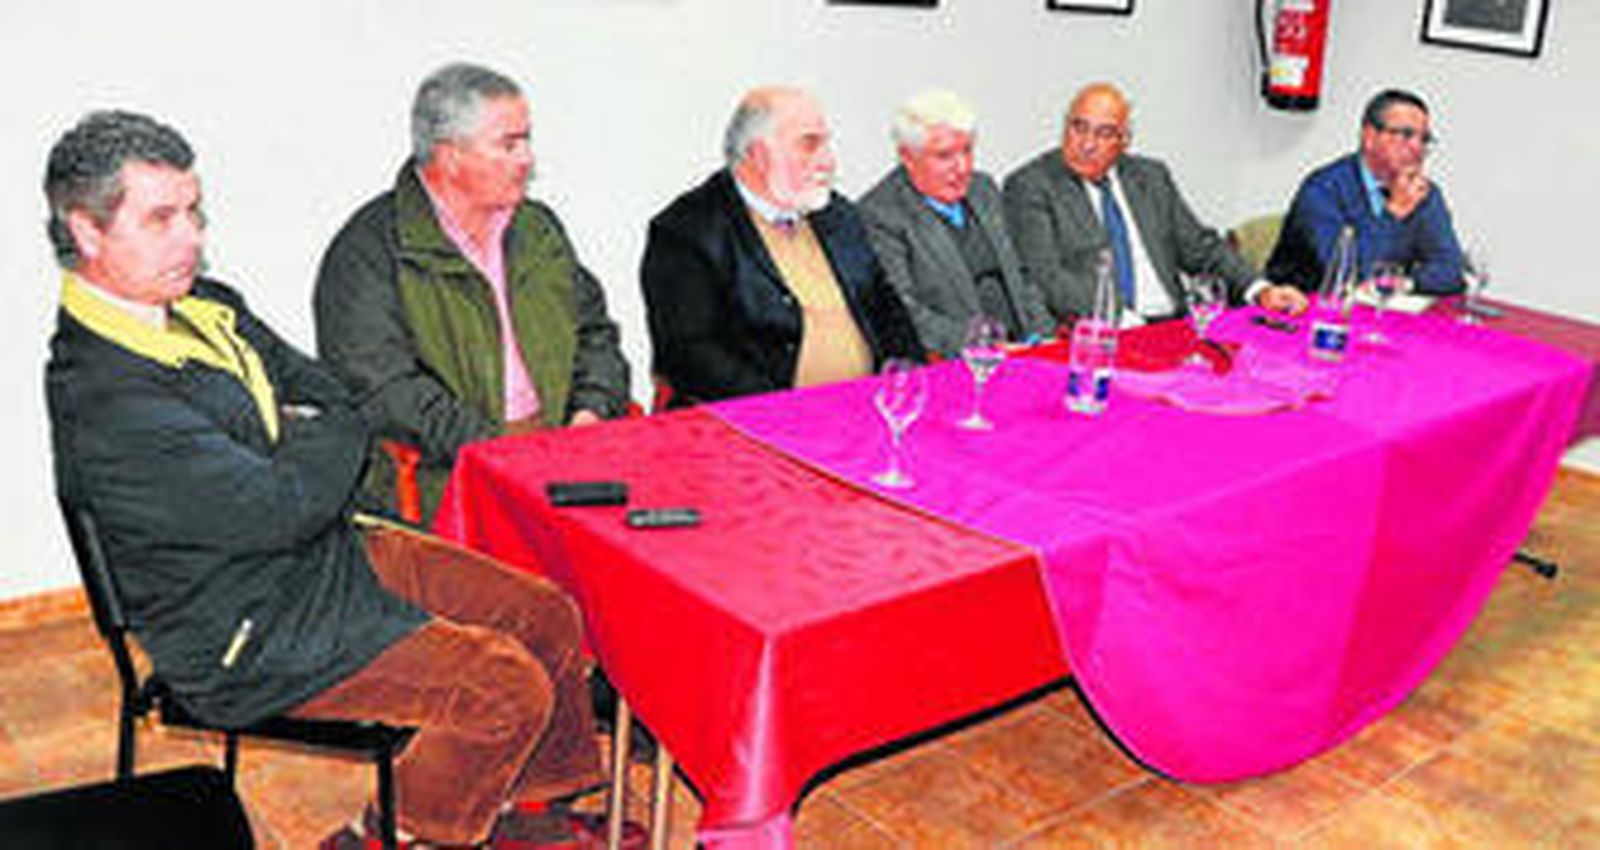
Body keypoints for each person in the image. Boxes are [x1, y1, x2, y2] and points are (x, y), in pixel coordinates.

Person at [44, 110, 617, 849]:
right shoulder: (107, 398)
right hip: (244, 630)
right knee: (503, 689)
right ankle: (384, 832)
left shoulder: (207, 305)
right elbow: (283, 505)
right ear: (87, 232)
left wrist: (301, 439)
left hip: (322, 555)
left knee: (545, 614)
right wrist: (308, 439)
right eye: (160, 218)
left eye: (193, 211)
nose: (191, 237)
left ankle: (528, 812)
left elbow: (333, 393)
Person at [315, 63, 630, 524]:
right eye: (509, 144)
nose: (527, 159)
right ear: (450, 157)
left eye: (527, 140)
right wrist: (498, 450)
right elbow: (385, 392)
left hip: (564, 448)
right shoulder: (369, 252)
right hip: (447, 471)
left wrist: (591, 412)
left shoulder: (537, 229)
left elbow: (595, 334)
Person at [640, 85, 924, 407]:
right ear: (760, 155)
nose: (828, 161)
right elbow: (690, 355)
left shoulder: (838, 215)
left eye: (826, 144)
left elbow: (887, 306)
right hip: (755, 430)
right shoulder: (686, 231)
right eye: (809, 145)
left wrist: (908, 383)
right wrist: (792, 412)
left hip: (866, 413)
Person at [1003, 82, 1306, 325]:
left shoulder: (1151, 178)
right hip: (1105, 330)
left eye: (1104, 133)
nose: (1087, 144)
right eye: (1078, 127)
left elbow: (1202, 248)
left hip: (1176, 325)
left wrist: (1261, 290)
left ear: (1124, 141)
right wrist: (1120, 318)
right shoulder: (1031, 186)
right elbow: (1048, 278)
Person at [858, 89, 1055, 356]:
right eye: (944, 156)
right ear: (907, 157)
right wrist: (984, 347)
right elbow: (905, 313)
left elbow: (1022, 275)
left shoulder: (984, 189)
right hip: (958, 361)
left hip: (1024, 350)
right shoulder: (881, 214)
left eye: (967, 151)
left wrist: (1044, 337)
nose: (961, 167)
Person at [1267, 88, 1465, 294]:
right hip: (1302, 311)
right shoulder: (1323, 190)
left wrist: (1405, 284)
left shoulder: (1424, 193)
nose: (1417, 148)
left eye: (1424, 139)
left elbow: (1452, 271)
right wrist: (1393, 214)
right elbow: (1350, 277)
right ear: (1369, 137)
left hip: (1381, 314)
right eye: (1406, 135)